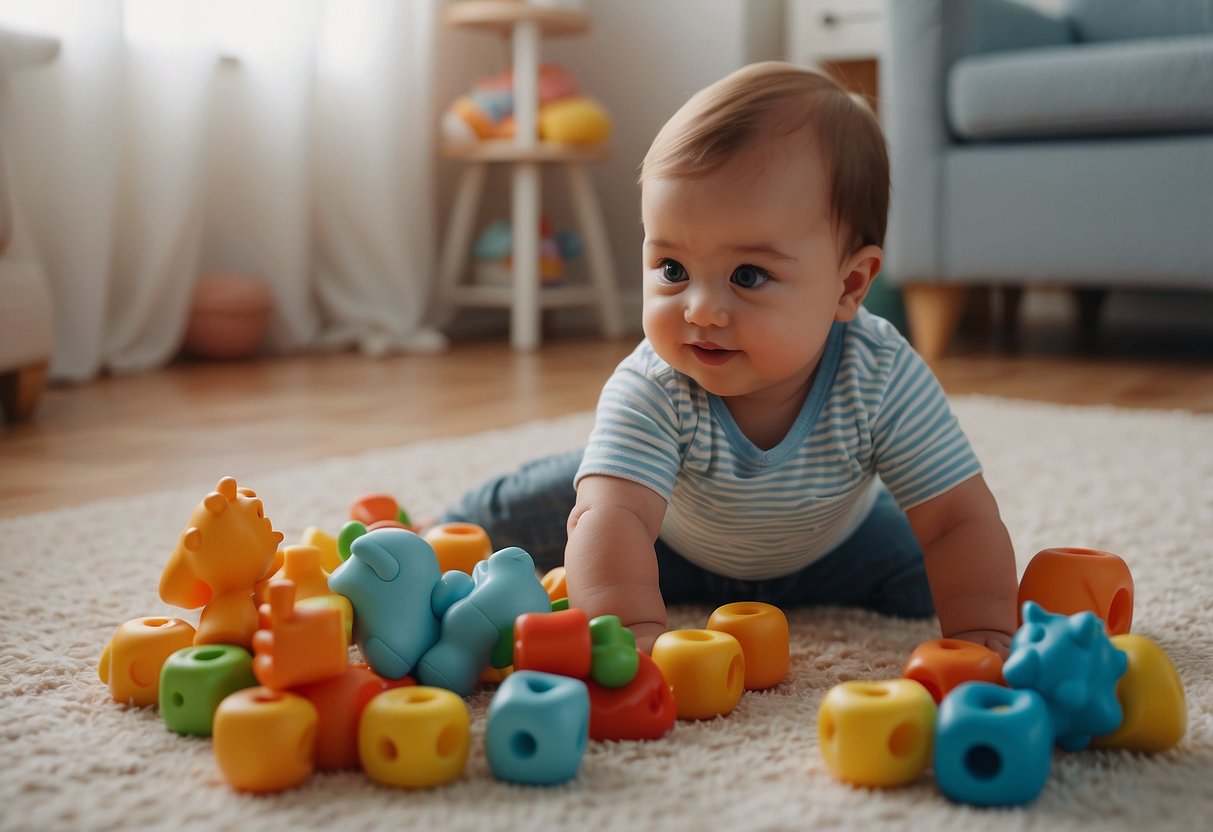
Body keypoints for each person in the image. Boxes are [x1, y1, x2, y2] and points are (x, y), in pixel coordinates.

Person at [438, 62, 1019, 657]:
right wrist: (627, 642)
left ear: (849, 286)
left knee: (939, 574)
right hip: (665, 544)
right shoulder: (654, 383)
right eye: (673, 270)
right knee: (559, 512)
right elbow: (616, 521)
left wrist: (985, 637)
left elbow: (954, 518)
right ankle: (432, 532)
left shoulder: (883, 375)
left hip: (833, 549)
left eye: (748, 275)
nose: (701, 310)